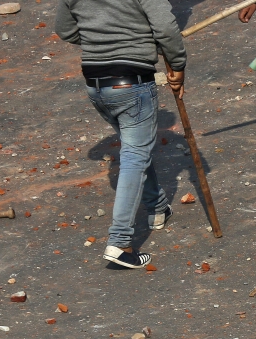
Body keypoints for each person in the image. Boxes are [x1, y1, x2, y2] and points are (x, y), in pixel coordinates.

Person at [55, 0, 184, 269]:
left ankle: (157, 208)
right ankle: (120, 243)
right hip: (131, 83)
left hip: (97, 86)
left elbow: (65, 30)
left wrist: (100, 43)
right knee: (135, 156)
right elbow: (166, 28)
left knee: (135, 148)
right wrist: (177, 64)